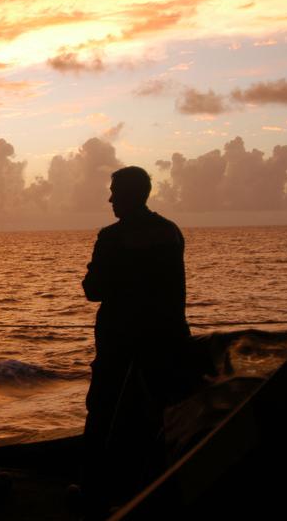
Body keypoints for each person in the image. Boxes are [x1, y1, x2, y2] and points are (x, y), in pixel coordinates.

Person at [78, 166, 191, 513]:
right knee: (159, 415)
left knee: (102, 413)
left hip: (119, 344)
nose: (110, 198)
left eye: (114, 192)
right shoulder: (170, 232)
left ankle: (93, 491)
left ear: (128, 195)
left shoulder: (112, 237)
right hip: (166, 340)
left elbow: (92, 290)